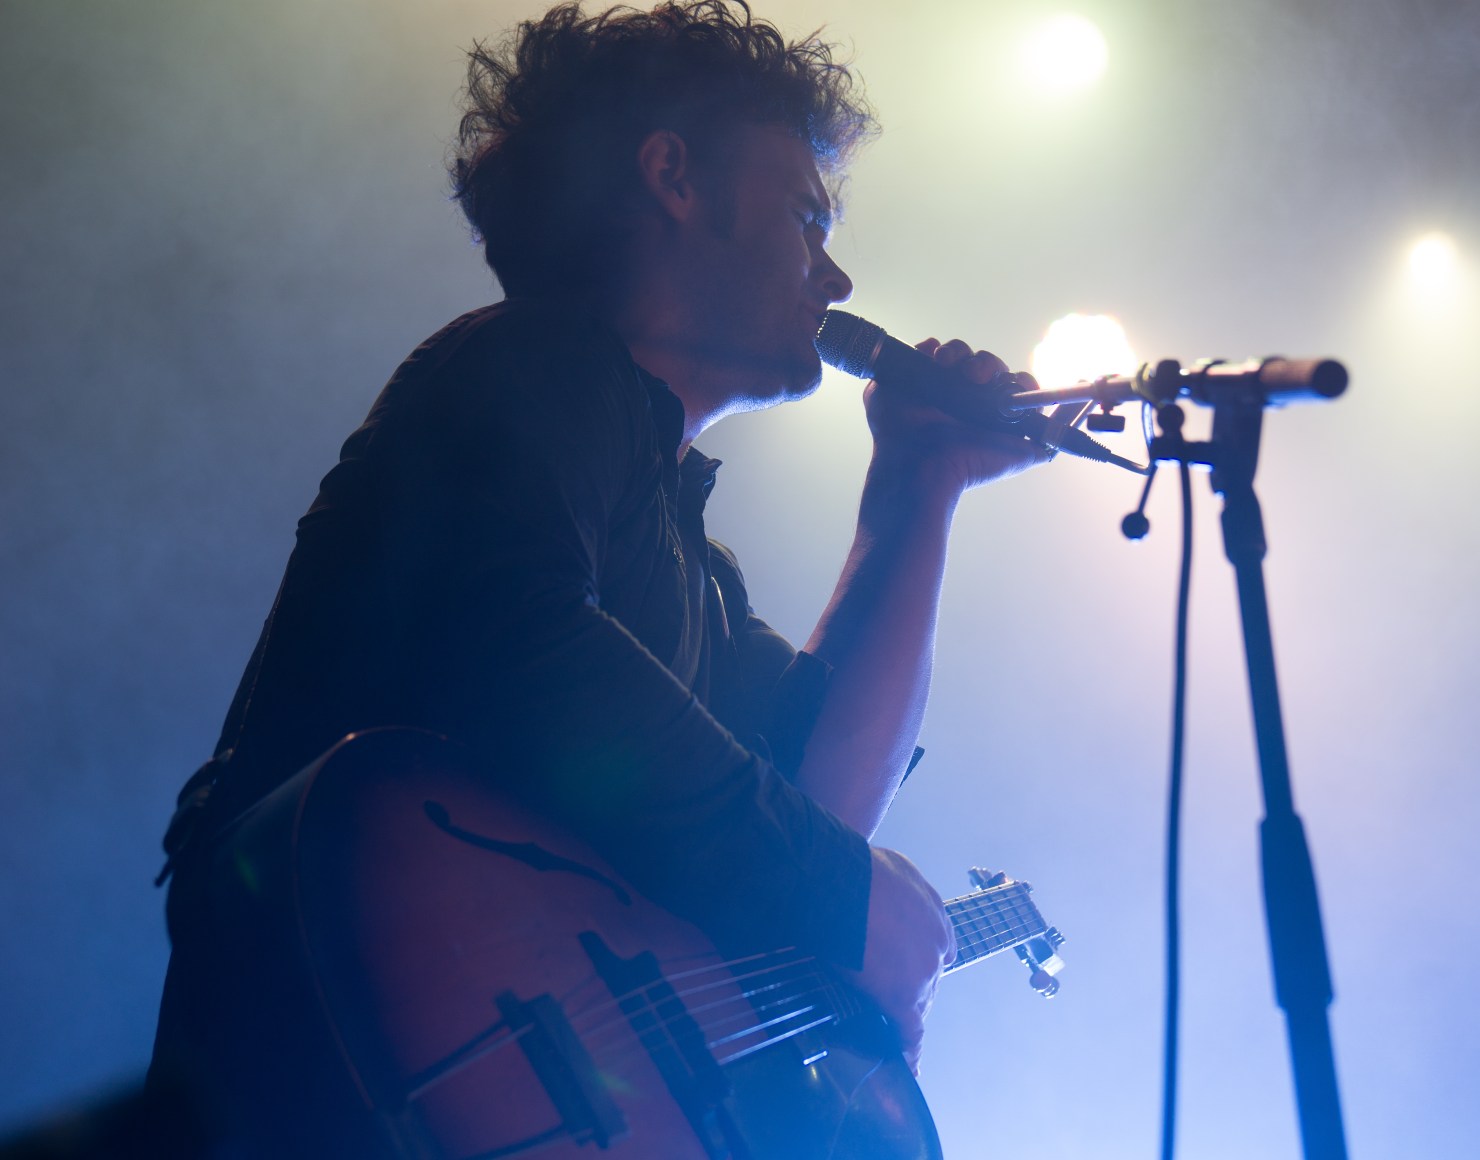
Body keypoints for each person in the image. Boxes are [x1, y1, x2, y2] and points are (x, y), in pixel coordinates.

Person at [147, 0, 1048, 1152]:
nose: (836, 274)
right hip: (333, 1065)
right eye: (806, 215)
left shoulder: (690, 561)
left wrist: (919, 489)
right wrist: (839, 887)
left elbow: (809, 796)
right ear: (672, 174)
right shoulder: (531, 362)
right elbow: (515, 637)